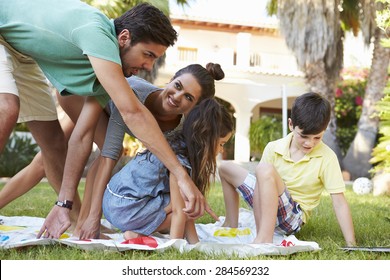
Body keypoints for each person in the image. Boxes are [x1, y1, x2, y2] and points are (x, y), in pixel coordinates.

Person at [0, 0, 210, 239]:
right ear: (124, 38)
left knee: (53, 145)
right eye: (147, 55)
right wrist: (182, 176)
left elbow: (82, 136)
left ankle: (72, 216)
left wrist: (63, 204)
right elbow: (132, 113)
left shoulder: (108, 71)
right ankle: (81, 219)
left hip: (23, 55)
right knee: (6, 108)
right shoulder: (96, 32)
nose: (148, 66)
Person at [76, 63, 224, 239]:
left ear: (195, 108)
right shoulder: (132, 98)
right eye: (177, 86)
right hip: (91, 97)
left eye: (188, 97)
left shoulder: (182, 126)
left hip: (115, 111)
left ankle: (136, 226)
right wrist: (93, 218)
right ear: (170, 80)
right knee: (104, 152)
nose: (177, 97)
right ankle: (81, 222)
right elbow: (108, 157)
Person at [218, 92, 356, 246]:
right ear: (291, 125)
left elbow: (339, 202)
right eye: (304, 136)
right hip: (265, 204)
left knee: (265, 169)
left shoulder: (327, 157)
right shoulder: (274, 147)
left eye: (317, 137)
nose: (309, 143)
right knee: (225, 168)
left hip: (292, 217)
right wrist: (258, 222)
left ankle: (264, 239)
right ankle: (232, 224)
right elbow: (259, 187)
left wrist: (351, 243)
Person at [102, 98, 234, 243]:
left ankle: (139, 233)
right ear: (205, 140)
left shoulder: (173, 145)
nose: (221, 149)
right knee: (188, 204)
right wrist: (176, 245)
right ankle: (137, 232)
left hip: (112, 202)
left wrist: (194, 242)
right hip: (126, 210)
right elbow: (179, 211)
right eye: (221, 144)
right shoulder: (180, 160)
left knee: (188, 202)